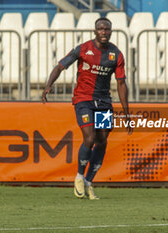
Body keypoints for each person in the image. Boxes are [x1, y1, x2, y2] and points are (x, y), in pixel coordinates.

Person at [42, 17, 132, 200]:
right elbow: (60, 66)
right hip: (84, 100)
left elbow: (121, 83)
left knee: (102, 140)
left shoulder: (116, 54)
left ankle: (89, 182)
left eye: (107, 29)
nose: (104, 32)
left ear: (111, 31)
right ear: (95, 31)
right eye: (100, 29)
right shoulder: (83, 49)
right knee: (90, 137)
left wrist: (126, 112)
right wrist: (48, 85)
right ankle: (79, 176)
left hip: (104, 102)